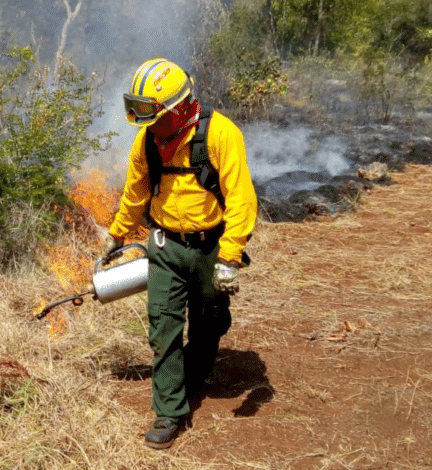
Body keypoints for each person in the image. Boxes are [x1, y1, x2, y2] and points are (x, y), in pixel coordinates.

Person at [101, 58, 258, 449]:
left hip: (210, 247)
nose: (149, 125)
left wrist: (230, 257)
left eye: (154, 116)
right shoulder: (147, 141)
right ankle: (169, 412)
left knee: (209, 323)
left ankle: (196, 370)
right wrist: (117, 234)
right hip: (165, 247)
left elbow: (241, 199)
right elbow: (135, 192)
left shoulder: (220, 134)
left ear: (179, 107)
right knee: (163, 326)